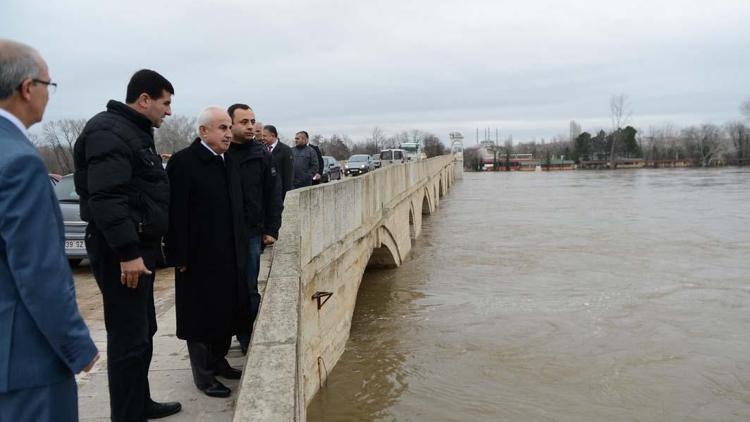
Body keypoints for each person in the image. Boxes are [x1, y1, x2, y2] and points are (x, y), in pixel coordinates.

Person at [73, 69, 181, 421]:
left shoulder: (134, 131)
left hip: (138, 249)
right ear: (144, 99)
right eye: (165, 104)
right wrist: (128, 253)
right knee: (128, 340)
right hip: (121, 252)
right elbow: (107, 199)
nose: (168, 112)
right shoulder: (108, 131)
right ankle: (127, 414)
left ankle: (140, 402)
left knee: (143, 332)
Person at [0, 39, 98, 422]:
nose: (47, 95)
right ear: (28, 88)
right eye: (48, 85)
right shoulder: (20, 162)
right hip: (23, 360)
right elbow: (39, 269)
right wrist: (77, 345)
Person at [165, 107, 249, 398]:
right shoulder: (183, 163)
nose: (228, 133)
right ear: (203, 131)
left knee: (227, 312)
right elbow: (175, 213)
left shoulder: (229, 161)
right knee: (200, 318)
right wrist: (179, 256)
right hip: (198, 258)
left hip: (229, 254)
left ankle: (218, 361)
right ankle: (203, 376)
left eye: (229, 127)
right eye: (222, 128)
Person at [226, 103, 281, 354]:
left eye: (252, 122)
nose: (250, 127)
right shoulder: (222, 154)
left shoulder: (261, 155)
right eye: (244, 122)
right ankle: (222, 337)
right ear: (231, 124)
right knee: (225, 286)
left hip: (251, 232)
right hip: (224, 233)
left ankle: (247, 335)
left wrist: (271, 229)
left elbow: (273, 194)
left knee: (249, 286)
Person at [262, 124, 293, 198]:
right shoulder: (262, 149)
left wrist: (285, 194)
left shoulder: (285, 150)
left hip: (278, 192)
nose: (262, 138)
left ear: (272, 135)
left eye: (264, 136)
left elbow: (288, 174)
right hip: (265, 191)